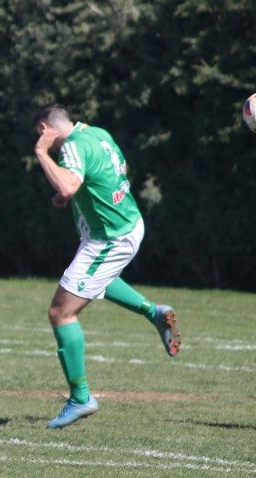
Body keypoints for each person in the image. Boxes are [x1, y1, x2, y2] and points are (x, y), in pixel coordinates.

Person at [32, 103, 181, 429]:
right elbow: (120, 170)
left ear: (46, 129)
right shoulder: (96, 133)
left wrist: (43, 154)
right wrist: (78, 192)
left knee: (61, 312)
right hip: (127, 224)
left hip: (109, 239)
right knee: (97, 280)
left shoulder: (69, 147)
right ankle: (153, 312)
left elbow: (68, 184)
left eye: (40, 135)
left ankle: (81, 397)